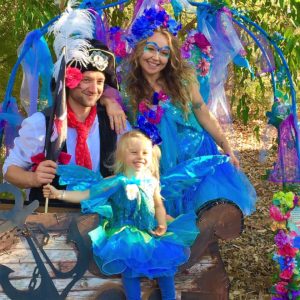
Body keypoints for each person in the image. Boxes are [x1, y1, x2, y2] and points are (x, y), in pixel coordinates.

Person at [104, 7, 256, 217]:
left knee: (202, 218)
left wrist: (226, 146)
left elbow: (203, 112)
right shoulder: (128, 87)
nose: (157, 57)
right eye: (151, 48)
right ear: (139, 49)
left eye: (164, 52)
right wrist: (108, 101)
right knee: (168, 221)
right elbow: (100, 92)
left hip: (195, 158)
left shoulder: (183, 80)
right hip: (159, 166)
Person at [43, 130, 199, 300]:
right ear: (122, 156)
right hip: (125, 233)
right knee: (130, 272)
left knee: (165, 268)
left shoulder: (152, 181)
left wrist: (162, 223)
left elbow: (158, 205)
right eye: (134, 152)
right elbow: (88, 194)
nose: (140, 156)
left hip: (150, 231)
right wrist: (59, 194)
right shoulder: (116, 181)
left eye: (145, 152)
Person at [3, 39, 128, 206]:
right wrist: (33, 178)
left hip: (101, 221)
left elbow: (136, 165)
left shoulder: (115, 121)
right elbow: (10, 170)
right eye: (86, 80)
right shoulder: (41, 123)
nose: (94, 89)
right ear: (70, 81)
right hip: (51, 221)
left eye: (99, 82)